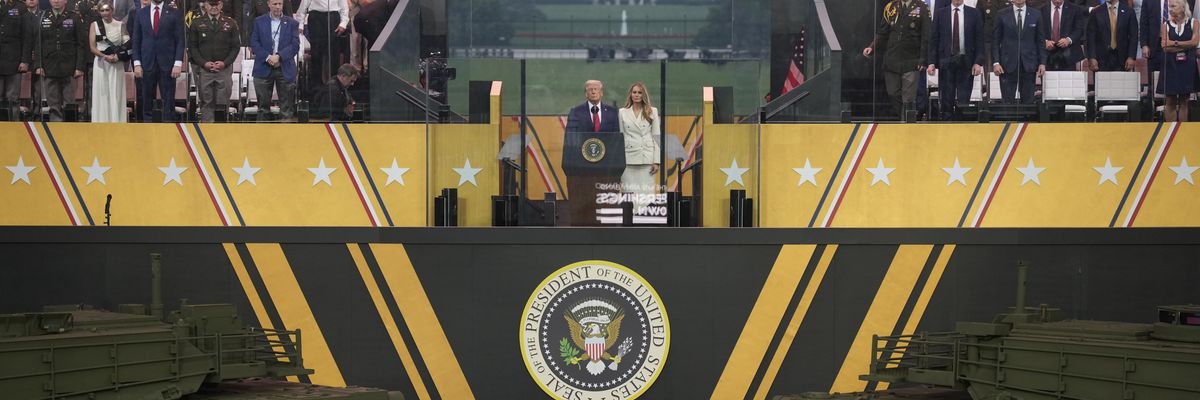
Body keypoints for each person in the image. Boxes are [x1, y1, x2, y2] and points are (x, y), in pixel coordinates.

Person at [863, 0, 930, 119]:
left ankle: (906, 124)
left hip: (912, 60)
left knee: (908, 98)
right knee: (892, 93)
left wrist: (923, 59)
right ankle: (903, 118)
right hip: (892, 59)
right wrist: (872, 47)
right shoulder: (891, 7)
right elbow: (882, 32)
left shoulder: (922, 7)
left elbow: (926, 36)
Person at [564, 80, 618, 225]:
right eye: (590, 89)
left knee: (604, 202)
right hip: (583, 169)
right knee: (585, 201)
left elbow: (615, 138)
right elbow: (571, 139)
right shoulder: (575, 112)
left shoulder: (613, 113)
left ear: (602, 92)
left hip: (606, 169)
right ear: (585, 93)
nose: (593, 91)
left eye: (596, 89)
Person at [928, 0, 985, 120]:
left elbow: (980, 39)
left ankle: (963, 126)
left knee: (964, 101)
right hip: (946, 62)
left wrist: (978, 62)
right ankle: (947, 126)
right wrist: (932, 62)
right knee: (946, 100)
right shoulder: (940, 13)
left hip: (967, 62)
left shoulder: (974, 13)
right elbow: (934, 39)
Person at [131, 0, 184, 121]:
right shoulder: (141, 13)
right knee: (147, 99)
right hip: (146, 63)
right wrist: (137, 64)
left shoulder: (174, 13)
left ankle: (168, 130)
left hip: (168, 64)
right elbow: (136, 40)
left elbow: (180, 40)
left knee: (169, 100)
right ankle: (148, 130)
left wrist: (178, 63)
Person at [34, 0, 86, 122]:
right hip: (49, 66)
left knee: (69, 103)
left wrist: (79, 67)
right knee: (53, 104)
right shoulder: (43, 16)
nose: (56, 1)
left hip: (69, 66)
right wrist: (38, 65)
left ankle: (69, 130)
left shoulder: (74, 17)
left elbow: (81, 44)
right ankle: (56, 130)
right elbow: (38, 44)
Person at [187, 0, 239, 122]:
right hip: (205, 70)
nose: (214, 7)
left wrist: (225, 63)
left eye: (217, 4)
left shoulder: (231, 23)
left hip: (224, 70)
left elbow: (235, 47)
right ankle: (208, 133)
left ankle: (221, 134)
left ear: (221, 5)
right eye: (211, 4)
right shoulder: (196, 23)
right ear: (205, 5)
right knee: (206, 102)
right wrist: (203, 63)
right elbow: (193, 48)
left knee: (223, 102)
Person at [249, 0, 298, 121]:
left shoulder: (292, 23)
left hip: (285, 67)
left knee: (286, 110)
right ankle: (262, 138)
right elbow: (254, 43)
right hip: (263, 67)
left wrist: (279, 56)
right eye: (275, 4)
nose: (277, 7)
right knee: (263, 110)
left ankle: (286, 138)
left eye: (280, 4)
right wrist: (268, 57)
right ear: (268, 4)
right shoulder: (258, 21)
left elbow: (295, 45)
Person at [992, 0, 1047, 103]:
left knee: (1028, 102)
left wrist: (1042, 63)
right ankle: (1008, 120)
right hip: (1006, 65)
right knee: (1007, 103)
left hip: (1029, 65)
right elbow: (995, 41)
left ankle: (1026, 119)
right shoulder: (1001, 14)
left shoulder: (1036, 14)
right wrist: (996, 62)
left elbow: (1040, 41)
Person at [618, 82, 660, 213]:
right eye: (634, 92)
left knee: (646, 195)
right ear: (630, 94)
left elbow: (656, 136)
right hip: (628, 159)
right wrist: (620, 161)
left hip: (646, 159)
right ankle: (630, 223)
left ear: (644, 95)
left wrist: (656, 161)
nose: (636, 95)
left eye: (639, 92)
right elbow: (621, 136)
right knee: (629, 194)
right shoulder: (622, 112)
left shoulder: (652, 111)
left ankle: (645, 222)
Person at [295, 0, 347, 97]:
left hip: (333, 18)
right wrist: (300, 24)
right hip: (316, 18)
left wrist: (343, 23)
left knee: (333, 55)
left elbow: (344, 7)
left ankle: (335, 88)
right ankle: (316, 89)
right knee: (316, 55)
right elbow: (302, 8)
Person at [1157, 0, 1198, 121]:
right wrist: (1185, 45)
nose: (1170, 9)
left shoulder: (1194, 23)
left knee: (1184, 100)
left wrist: (1173, 43)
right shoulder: (1165, 25)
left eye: (1173, 6)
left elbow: (1194, 43)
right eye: (1169, 6)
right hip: (1170, 65)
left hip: (1187, 65)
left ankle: (1181, 133)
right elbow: (1164, 46)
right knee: (1170, 100)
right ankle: (1170, 131)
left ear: (1182, 7)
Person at [87, 0, 127, 122]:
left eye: (107, 10)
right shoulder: (94, 25)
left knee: (116, 92)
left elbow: (126, 43)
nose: (105, 13)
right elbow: (92, 47)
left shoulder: (121, 24)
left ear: (112, 10)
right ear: (99, 12)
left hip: (116, 64)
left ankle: (117, 121)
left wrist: (117, 56)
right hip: (101, 63)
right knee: (102, 92)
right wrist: (105, 56)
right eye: (102, 10)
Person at [1, 0, 33, 120]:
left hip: (14, 60)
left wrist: (25, 60)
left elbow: (27, 36)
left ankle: (13, 127)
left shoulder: (21, 7)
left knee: (13, 99)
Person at [1088, 0, 1139, 71]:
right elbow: (1091, 37)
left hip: (1123, 59)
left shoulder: (1129, 12)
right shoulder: (1096, 12)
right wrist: (1092, 57)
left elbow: (1133, 36)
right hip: (1101, 60)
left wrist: (1131, 57)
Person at [1042, 0, 1086, 70]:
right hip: (1047, 56)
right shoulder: (1041, 9)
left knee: (1068, 80)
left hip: (1068, 56)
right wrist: (1045, 41)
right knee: (1048, 81)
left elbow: (1079, 29)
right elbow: (1036, 31)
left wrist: (1069, 40)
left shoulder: (1075, 9)